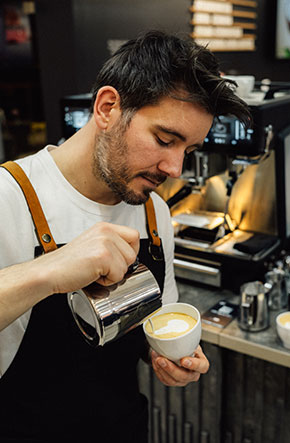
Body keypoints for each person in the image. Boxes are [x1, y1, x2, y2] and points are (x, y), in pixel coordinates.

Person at [0, 30, 250, 442]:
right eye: (165, 140)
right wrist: (49, 270)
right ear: (107, 107)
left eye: (187, 150)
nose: (174, 168)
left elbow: (154, 319)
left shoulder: (154, 211)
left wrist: (163, 352)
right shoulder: (10, 195)